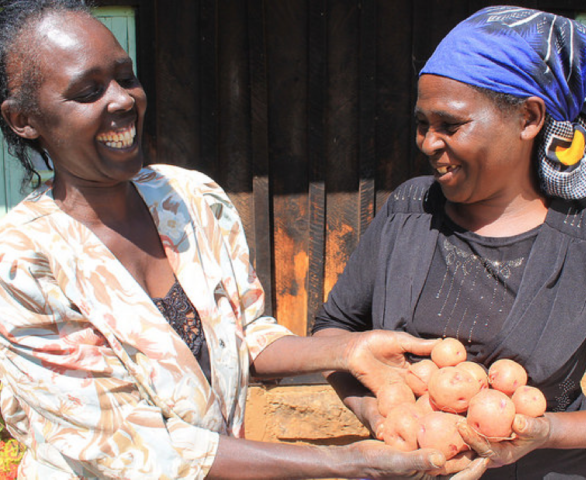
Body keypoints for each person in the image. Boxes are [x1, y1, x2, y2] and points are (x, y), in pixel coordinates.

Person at [0, 1, 494, 478]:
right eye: (88, 91)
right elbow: (132, 447)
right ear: (24, 120)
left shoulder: (190, 198)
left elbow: (248, 335)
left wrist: (348, 351)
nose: (124, 99)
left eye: (125, 77)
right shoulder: (21, 263)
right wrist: (347, 463)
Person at [313, 5, 586, 479]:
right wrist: (381, 412)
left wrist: (547, 431)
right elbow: (333, 331)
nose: (427, 142)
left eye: (450, 125)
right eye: (423, 123)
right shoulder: (410, 210)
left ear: (528, 118)